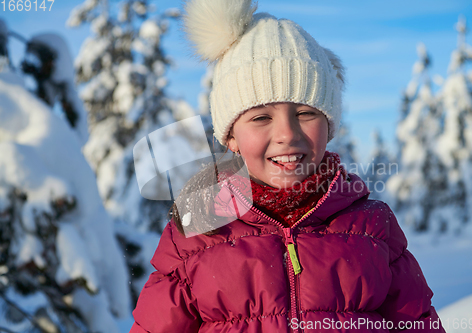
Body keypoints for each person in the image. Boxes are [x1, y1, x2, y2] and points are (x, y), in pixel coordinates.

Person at [130, 0, 445, 332]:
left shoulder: (371, 228)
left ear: (330, 125)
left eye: (306, 113)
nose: (287, 134)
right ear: (231, 137)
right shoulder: (197, 234)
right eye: (261, 117)